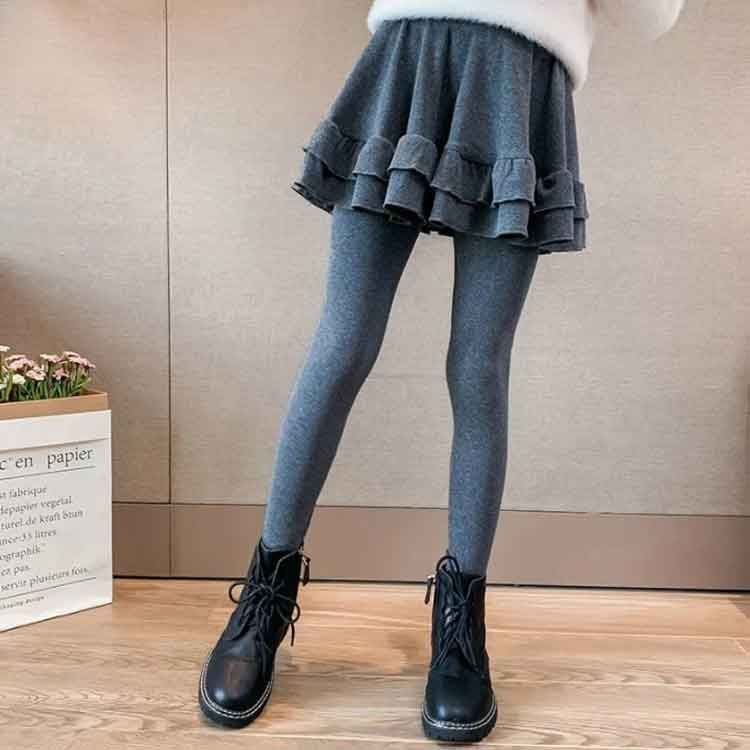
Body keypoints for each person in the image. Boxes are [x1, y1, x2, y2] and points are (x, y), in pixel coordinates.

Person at [197, 0, 685, 742]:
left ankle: (460, 626)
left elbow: (653, 13)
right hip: (411, 57)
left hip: (521, 82)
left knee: (478, 367)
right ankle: (265, 592)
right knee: (342, 345)